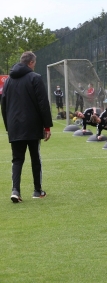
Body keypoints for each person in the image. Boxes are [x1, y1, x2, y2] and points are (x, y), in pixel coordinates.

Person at [1, 51, 53, 203]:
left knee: (17, 159)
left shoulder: (8, 80)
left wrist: (8, 126)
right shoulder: (35, 78)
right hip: (32, 125)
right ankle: (37, 190)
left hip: (14, 126)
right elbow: (43, 103)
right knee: (35, 157)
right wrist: (47, 127)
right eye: (34, 64)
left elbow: (3, 105)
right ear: (31, 63)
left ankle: (15, 190)